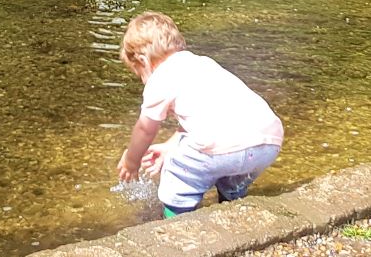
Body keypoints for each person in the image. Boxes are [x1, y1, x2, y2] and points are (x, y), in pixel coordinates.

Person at [115, 12, 283, 219]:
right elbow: (206, 119)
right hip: (267, 143)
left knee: (176, 171)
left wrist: (132, 160)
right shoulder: (203, 64)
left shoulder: (160, 77)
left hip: (224, 147)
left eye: (139, 73)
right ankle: (233, 204)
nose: (142, 80)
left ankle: (176, 221)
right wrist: (169, 146)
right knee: (231, 176)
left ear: (143, 60)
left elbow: (145, 128)